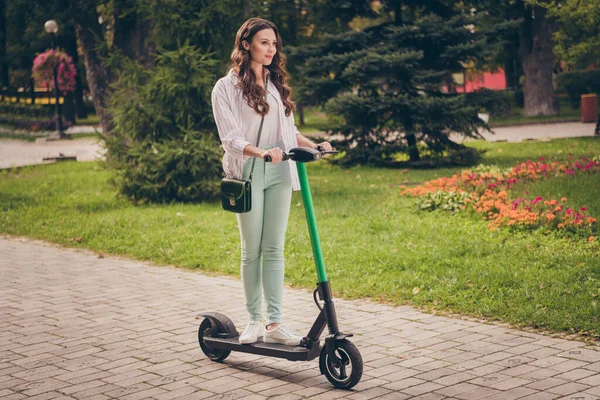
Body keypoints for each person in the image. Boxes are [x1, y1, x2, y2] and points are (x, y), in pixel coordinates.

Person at [211, 17, 332, 346]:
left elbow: (288, 132)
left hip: (280, 171)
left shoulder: (276, 85)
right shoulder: (227, 87)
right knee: (252, 250)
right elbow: (231, 139)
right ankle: (254, 320)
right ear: (246, 44)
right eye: (264, 42)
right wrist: (261, 153)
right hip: (249, 173)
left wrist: (315, 145)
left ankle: (275, 324)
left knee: (275, 248)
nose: (271, 49)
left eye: (274, 44)